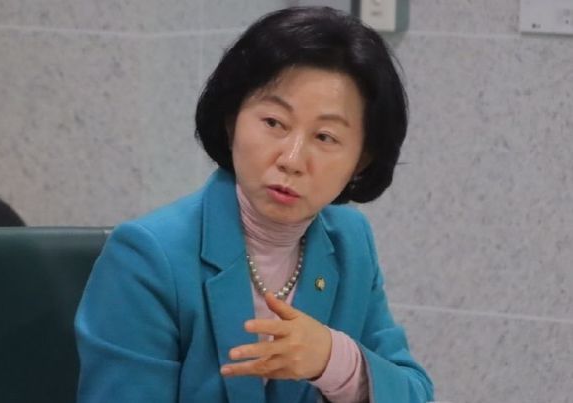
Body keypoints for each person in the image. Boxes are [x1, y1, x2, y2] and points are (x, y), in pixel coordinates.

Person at [75, 6, 434, 403]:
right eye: (274, 123)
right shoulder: (147, 256)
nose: (292, 160)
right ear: (232, 120)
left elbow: (413, 392)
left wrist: (333, 359)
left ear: (361, 161)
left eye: (325, 137)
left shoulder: (351, 241)